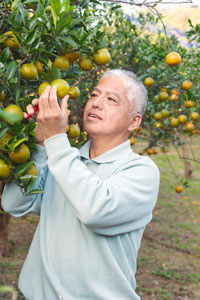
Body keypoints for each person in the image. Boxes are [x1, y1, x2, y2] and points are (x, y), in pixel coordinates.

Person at [2, 69, 160, 300]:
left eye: (111, 99)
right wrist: (40, 146)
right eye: (94, 95)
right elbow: (13, 204)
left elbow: (95, 211)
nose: (96, 103)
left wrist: (55, 139)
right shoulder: (64, 160)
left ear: (134, 121)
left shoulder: (141, 171)